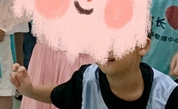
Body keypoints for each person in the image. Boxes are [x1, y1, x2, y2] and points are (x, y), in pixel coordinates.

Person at [10, 38, 178, 108]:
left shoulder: (167, 94)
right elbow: (58, 94)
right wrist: (30, 90)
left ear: (142, 45)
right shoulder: (86, 80)